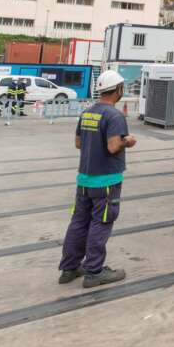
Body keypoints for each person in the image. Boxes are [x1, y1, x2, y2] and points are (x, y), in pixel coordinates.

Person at [58, 70, 136, 287]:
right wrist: (127, 141)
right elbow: (113, 147)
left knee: (79, 222)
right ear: (118, 90)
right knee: (101, 223)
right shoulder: (114, 116)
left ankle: (70, 267)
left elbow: (78, 143)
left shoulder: (88, 112)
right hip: (106, 181)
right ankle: (94, 271)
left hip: (84, 179)